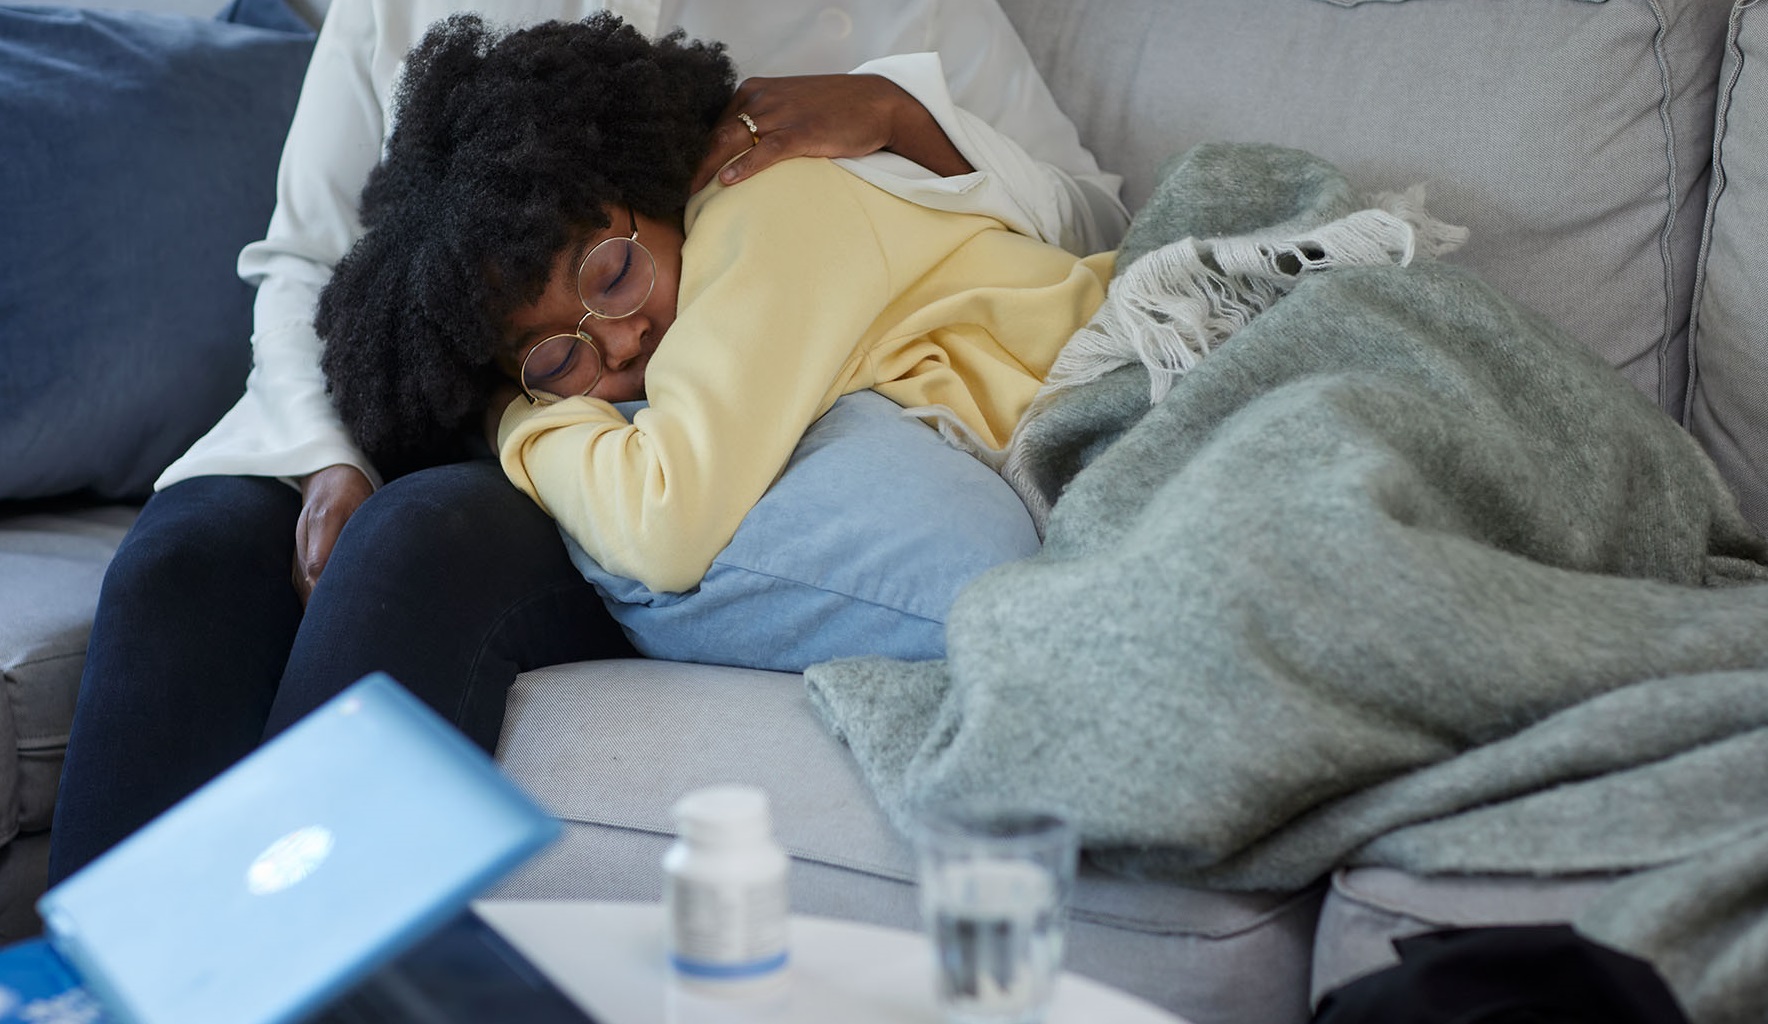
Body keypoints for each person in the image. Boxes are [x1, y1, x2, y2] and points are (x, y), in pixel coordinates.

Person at [47, 0, 1126, 883]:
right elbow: (307, 258)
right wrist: (333, 454)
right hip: (450, 377)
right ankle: (94, 1002)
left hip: (636, 417)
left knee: (415, 544)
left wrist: (897, 114)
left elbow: (1096, 219)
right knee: (183, 561)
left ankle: (291, 960)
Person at [318, 14, 1121, 598]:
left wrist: (512, 419)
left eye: (611, 272)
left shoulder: (762, 211)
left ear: (662, 188)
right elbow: (298, 248)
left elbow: (665, 524)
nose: (624, 341)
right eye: (559, 357)